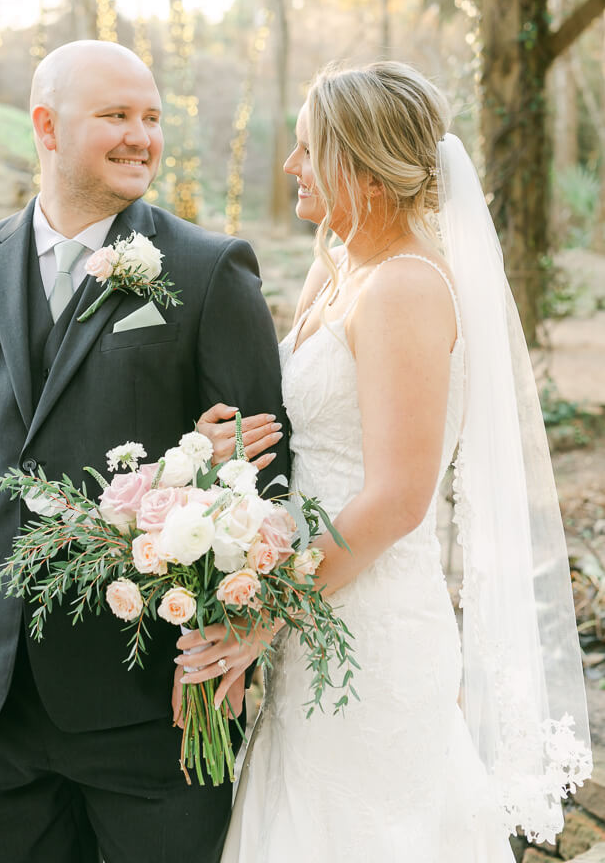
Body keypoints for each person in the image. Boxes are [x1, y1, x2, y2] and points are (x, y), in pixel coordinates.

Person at [0, 40, 290, 863]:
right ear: (48, 126)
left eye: (153, 118)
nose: (142, 137)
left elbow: (259, 473)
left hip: (152, 692)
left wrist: (234, 629)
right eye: (117, 116)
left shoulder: (207, 271)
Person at [179, 60, 591, 859]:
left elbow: (400, 496)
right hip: (316, 610)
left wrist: (265, 616)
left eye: (309, 149)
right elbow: (308, 438)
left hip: (370, 631)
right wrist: (219, 450)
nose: (293, 166)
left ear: (365, 173)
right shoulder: (339, 272)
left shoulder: (404, 286)